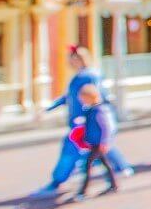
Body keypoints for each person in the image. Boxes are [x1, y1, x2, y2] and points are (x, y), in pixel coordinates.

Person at [30, 45, 133, 198]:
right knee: (98, 152)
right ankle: (120, 169)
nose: (74, 61)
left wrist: (94, 117)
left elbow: (95, 96)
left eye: (77, 58)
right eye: (72, 58)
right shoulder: (80, 77)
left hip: (84, 123)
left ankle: (58, 183)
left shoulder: (88, 76)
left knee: (74, 150)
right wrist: (48, 108)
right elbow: (68, 97)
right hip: (81, 123)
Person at [72, 84, 119, 202]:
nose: (82, 101)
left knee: (87, 166)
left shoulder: (99, 110)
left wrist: (105, 142)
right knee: (105, 163)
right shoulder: (91, 110)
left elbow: (106, 127)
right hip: (94, 142)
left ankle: (83, 191)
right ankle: (114, 185)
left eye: (83, 98)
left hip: (98, 143)